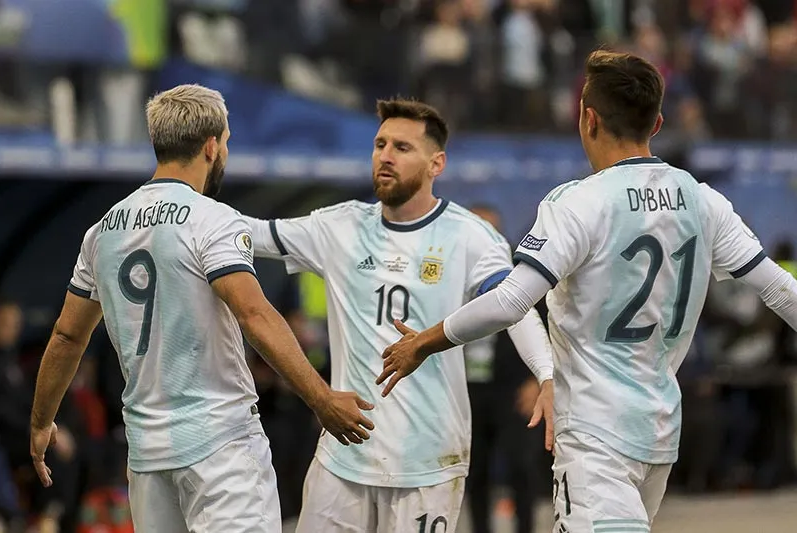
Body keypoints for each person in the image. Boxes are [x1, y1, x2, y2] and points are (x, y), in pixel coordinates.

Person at [377, 50, 797, 532]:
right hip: (659, 432)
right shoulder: (704, 201)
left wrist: (424, 342)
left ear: (588, 118)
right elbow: (782, 292)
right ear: (656, 123)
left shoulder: (577, 203)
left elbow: (513, 300)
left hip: (596, 435)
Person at [28, 84, 375, 533]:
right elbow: (254, 314)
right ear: (211, 147)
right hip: (221, 447)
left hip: (148, 456)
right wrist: (321, 397)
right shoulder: (212, 218)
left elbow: (66, 336)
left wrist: (41, 421)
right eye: (227, 142)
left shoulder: (102, 231)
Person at [241, 97, 554, 533]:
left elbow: (514, 306)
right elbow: (249, 233)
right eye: (380, 144)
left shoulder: (470, 235)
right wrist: (186, 205)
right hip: (343, 457)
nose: (385, 156)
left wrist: (545, 374)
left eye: (402, 148)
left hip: (427, 463)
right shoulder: (339, 226)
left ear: (436, 163)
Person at [464, 205, 548, 533]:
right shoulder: (452, 273)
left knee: (520, 468)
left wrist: (535, 380)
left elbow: (544, 325)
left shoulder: (522, 273)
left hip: (512, 387)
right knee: (475, 470)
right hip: (468, 387)